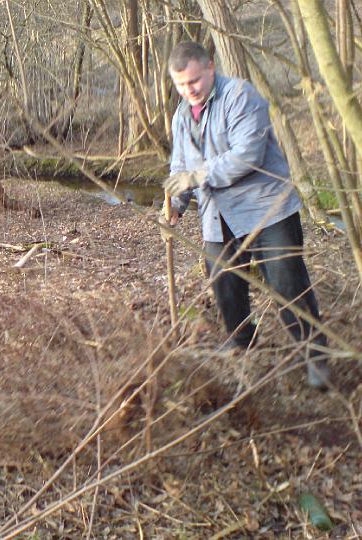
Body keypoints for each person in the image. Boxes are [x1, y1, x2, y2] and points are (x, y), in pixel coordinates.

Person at [161, 41, 330, 388]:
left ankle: (315, 355)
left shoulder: (240, 95)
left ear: (210, 67)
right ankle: (242, 341)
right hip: (216, 214)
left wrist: (195, 176)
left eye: (193, 81)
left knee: (287, 284)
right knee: (224, 283)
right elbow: (180, 166)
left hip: (267, 209)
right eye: (180, 85)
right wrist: (175, 206)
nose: (188, 90)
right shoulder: (181, 115)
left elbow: (246, 156)